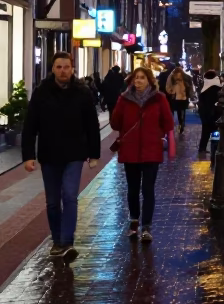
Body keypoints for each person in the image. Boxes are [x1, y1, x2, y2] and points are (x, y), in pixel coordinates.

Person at [21, 52, 101, 263]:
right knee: (53, 202)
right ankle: (57, 241)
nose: (63, 71)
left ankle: (67, 242)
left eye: (66, 67)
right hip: (49, 155)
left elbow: (92, 125)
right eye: (59, 67)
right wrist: (28, 156)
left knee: (70, 196)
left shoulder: (82, 93)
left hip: (74, 154)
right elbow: (30, 126)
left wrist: (94, 154)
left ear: (72, 69)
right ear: (53, 69)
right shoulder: (41, 93)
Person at [110, 66, 174, 242]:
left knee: (148, 189)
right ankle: (134, 221)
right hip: (130, 150)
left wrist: (156, 134)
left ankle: (146, 226)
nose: (138, 81)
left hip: (151, 150)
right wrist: (119, 105)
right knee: (132, 189)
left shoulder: (159, 99)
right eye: (135, 78)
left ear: (149, 81)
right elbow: (115, 123)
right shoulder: (124, 99)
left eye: (142, 78)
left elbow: (168, 122)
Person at [197, 70, 222, 155]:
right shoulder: (217, 89)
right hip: (215, 114)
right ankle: (215, 148)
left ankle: (202, 148)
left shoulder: (204, 88)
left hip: (205, 114)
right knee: (216, 132)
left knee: (205, 132)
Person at [165, 67, 191, 135]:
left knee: (173, 111)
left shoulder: (171, 76)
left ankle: (175, 125)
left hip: (175, 97)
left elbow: (168, 87)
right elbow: (190, 87)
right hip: (183, 97)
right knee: (182, 112)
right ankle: (181, 124)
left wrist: (172, 91)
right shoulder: (186, 77)